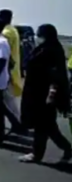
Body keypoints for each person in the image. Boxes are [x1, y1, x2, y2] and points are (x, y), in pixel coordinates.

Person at [19, 24, 72, 163]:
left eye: (39, 34)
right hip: (37, 92)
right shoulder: (44, 49)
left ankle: (37, 154)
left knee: (43, 126)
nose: (37, 37)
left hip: (44, 94)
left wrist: (51, 95)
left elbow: (56, 76)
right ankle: (67, 149)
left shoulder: (51, 50)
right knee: (47, 126)